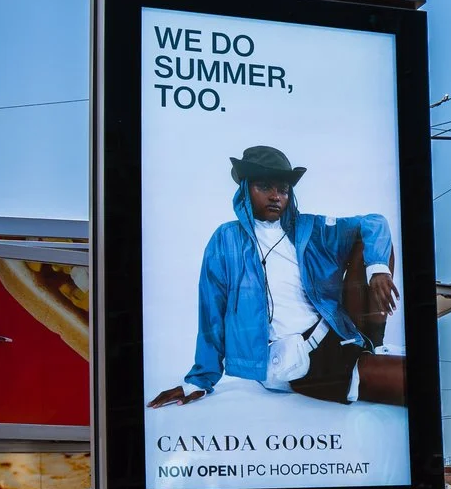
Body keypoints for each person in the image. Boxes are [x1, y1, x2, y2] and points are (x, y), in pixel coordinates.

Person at [149, 146, 397, 408]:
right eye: (264, 187)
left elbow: (374, 222)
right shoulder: (227, 239)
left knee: (375, 246)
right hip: (303, 361)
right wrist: (199, 380)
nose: (275, 196)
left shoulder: (309, 229)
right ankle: (366, 358)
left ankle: (374, 344)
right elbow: (212, 312)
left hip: (338, 333)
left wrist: (378, 269)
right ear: (246, 189)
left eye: (283, 190)